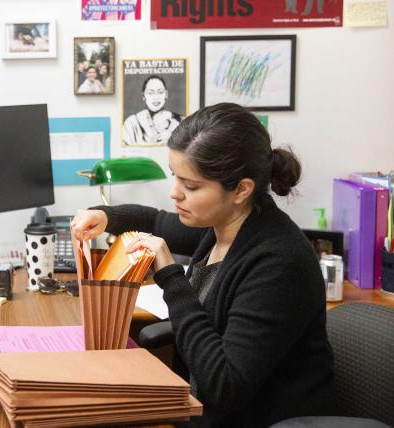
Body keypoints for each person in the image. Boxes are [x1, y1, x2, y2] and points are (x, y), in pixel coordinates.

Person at [71, 103, 337, 427]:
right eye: (175, 177)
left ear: (241, 189)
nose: (174, 193)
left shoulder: (280, 263)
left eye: (191, 186)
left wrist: (170, 275)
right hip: (198, 411)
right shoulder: (222, 224)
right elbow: (155, 220)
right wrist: (105, 215)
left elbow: (224, 388)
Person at [123, 75, 182, 145]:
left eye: (160, 92)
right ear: (143, 96)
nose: (156, 97)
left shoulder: (179, 121)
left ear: (166, 94)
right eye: (150, 93)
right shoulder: (132, 123)